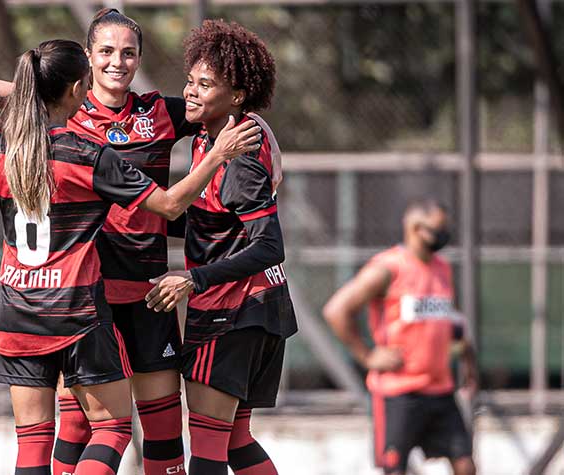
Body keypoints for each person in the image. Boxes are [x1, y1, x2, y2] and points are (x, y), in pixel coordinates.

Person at [0, 9, 272, 475]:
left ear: (140, 57)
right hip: (84, 298)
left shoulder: (159, 112)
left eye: (128, 52)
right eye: (105, 51)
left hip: (145, 296)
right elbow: (9, 83)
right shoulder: (69, 109)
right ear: (86, 62)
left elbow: (228, 106)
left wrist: (269, 145)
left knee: (162, 430)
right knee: (79, 430)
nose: (117, 62)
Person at [144, 20, 297, 475]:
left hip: (232, 315)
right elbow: (215, 222)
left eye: (205, 84)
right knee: (235, 441)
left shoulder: (237, 158)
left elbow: (269, 245)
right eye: (190, 80)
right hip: (261, 309)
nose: (191, 91)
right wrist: (142, 223)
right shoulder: (218, 137)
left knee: (208, 451)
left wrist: (194, 278)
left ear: (236, 96)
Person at [322, 198, 478, 475]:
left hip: (440, 388)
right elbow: (336, 310)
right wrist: (367, 355)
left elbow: (448, 320)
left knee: (465, 465)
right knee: (396, 469)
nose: (444, 236)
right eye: (438, 229)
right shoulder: (388, 268)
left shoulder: (442, 268)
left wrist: (467, 358)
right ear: (416, 228)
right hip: (399, 391)